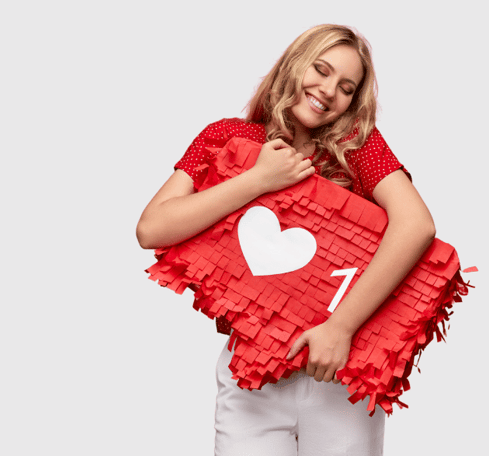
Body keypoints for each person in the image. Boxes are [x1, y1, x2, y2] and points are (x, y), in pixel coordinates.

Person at [136, 24, 436, 456]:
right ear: (294, 64)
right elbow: (152, 228)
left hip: (337, 371)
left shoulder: (356, 146)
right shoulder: (227, 135)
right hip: (251, 372)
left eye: (347, 87)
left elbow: (416, 225)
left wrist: (340, 328)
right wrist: (259, 180)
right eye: (321, 70)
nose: (329, 91)